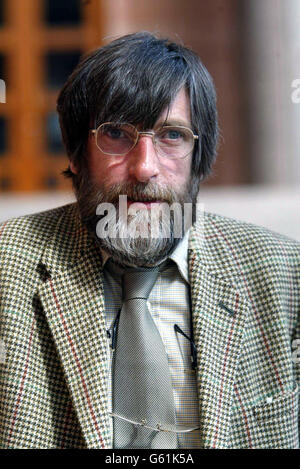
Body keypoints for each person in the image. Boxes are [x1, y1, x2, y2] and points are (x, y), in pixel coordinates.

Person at [0, 31, 299, 450]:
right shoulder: (6, 268)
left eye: (172, 135)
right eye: (117, 135)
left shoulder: (285, 274)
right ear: (74, 153)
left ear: (199, 154)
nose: (144, 168)